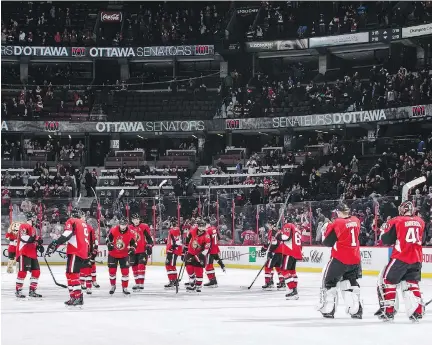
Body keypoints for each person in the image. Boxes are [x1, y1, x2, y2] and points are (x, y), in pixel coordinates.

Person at [375, 200, 426, 322]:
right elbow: (422, 239)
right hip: (417, 258)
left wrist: (383, 230)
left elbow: (386, 239)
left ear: (402, 210)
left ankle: (388, 311)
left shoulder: (397, 220)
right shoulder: (421, 221)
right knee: (411, 282)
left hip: (401, 257)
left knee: (387, 280)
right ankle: (417, 310)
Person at [318, 203, 363, 319]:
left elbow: (327, 242)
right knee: (350, 283)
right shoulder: (356, 220)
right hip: (355, 259)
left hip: (340, 259)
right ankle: (356, 310)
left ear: (338, 212)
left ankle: (328, 309)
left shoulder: (338, 223)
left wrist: (325, 229)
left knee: (329, 283)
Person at [46, 208, 90, 306]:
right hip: (81, 251)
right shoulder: (83, 223)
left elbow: (67, 234)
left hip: (76, 251)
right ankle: (73, 297)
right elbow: (72, 236)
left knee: (72, 274)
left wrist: (55, 243)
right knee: (69, 273)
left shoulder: (72, 221)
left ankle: (78, 297)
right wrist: (56, 245)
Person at [15, 212, 43, 298]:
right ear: (31, 218)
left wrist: (39, 245)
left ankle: (32, 291)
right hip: (24, 252)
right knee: (23, 272)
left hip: (32, 253)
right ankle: (18, 291)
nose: (35, 220)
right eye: (34, 218)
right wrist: (35, 239)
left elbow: (35, 240)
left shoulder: (33, 228)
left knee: (36, 272)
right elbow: (24, 238)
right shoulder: (24, 226)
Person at [106, 217, 136, 295]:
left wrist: (133, 249)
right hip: (113, 254)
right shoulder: (113, 230)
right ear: (119, 224)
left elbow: (134, 243)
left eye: (124, 224)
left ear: (127, 225)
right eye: (121, 224)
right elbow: (108, 239)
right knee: (112, 272)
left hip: (124, 254)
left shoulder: (131, 232)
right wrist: (109, 244)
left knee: (125, 272)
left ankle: (125, 287)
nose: (123, 226)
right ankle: (113, 286)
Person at [183, 220, 211, 293]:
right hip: (191, 252)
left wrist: (200, 255)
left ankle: (198, 285)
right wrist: (186, 246)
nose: (201, 227)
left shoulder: (207, 236)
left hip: (200, 254)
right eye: (200, 226)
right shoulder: (193, 230)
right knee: (189, 267)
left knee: (198, 270)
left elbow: (206, 249)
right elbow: (188, 236)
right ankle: (192, 281)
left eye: (203, 226)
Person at [128, 213, 153, 291]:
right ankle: (137, 283)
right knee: (134, 267)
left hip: (142, 250)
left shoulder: (144, 226)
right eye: (134, 220)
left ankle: (141, 283)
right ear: (132, 220)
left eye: (137, 219)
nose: (136, 221)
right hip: (133, 251)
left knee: (141, 266)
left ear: (139, 220)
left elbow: (149, 238)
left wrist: (150, 245)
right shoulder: (129, 228)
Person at [279, 221, 303, 300]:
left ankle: (292, 290)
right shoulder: (297, 229)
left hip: (289, 251)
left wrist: (278, 234)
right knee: (292, 271)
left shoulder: (288, 225)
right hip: (296, 251)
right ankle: (294, 289)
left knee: (284, 270)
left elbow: (286, 237)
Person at [260, 221, 285, 290]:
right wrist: (264, 248)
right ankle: (282, 282)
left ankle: (269, 282)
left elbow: (274, 243)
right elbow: (270, 242)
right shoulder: (280, 232)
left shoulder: (272, 232)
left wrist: (270, 251)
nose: (268, 226)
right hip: (281, 252)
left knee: (268, 266)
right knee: (278, 267)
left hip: (275, 252)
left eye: (269, 224)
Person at [79, 213, 98, 295]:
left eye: (83, 217)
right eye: (81, 217)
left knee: (89, 268)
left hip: (87, 251)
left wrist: (94, 249)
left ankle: (89, 285)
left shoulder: (89, 227)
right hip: (79, 251)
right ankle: (82, 283)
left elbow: (93, 240)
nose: (82, 218)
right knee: (81, 269)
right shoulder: (76, 227)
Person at [204, 219, 226, 288]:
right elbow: (218, 238)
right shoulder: (214, 228)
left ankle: (212, 281)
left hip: (210, 250)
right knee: (210, 266)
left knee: (208, 267)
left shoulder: (207, 230)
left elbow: (207, 241)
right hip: (215, 249)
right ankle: (214, 281)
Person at [164, 222, 183, 289]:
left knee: (169, 265)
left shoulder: (174, 229)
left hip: (172, 251)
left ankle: (172, 280)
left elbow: (177, 241)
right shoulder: (174, 230)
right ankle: (175, 280)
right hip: (173, 250)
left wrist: (172, 247)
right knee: (171, 265)